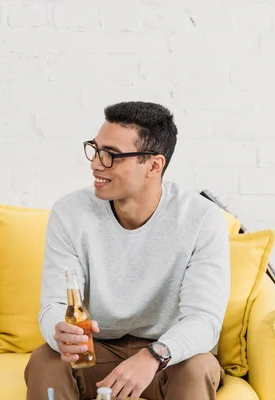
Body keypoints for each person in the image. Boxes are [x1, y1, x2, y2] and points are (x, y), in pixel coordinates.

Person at [24, 101, 230, 400]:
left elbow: (205, 320)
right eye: (95, 150)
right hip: (96, 351)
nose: (96, 163)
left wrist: (154, 355)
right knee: (46, 361)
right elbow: (54, 303)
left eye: (111, 156)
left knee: (197, 368)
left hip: (168, 357)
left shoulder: (201, 218)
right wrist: (60, 331)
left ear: (153, 165)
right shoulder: (70, 212)